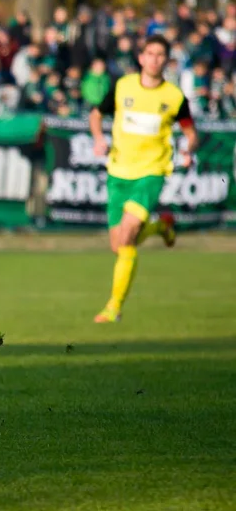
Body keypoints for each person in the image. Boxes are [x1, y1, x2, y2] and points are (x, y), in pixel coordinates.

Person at [90, 34, 198, 323]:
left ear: (166, 60)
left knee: (126, 238)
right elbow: (96, 115)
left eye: (160, 55)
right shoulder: (122, 86)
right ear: (141, 57)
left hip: (151, 173)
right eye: (149, 53)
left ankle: (114, 307)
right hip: (118, 173)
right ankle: (161, 226)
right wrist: (99, 139)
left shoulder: (174, 97)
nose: (154, 59)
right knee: (119, 246)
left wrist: (188, 149)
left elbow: (190, 133)